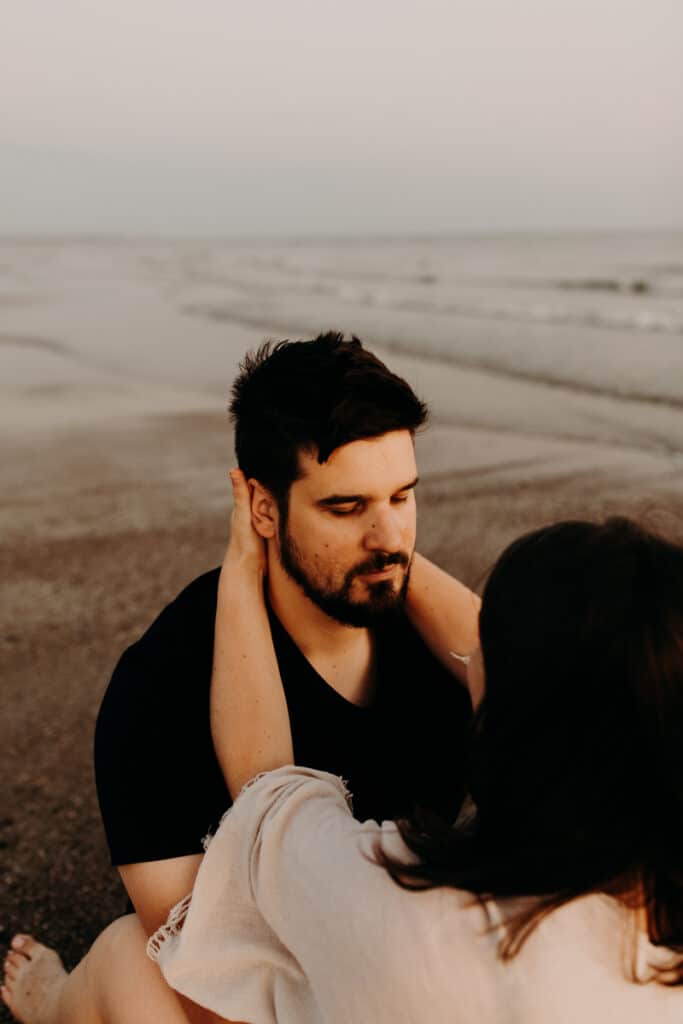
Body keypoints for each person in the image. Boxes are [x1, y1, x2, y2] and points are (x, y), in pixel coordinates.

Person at [1, 333, 479, 1024]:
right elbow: (207, 970)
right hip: (248, 978)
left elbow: (542, 688)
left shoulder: (442, 646)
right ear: (261, 507)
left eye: (402, 497)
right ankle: (59, 1001)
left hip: (396, 958)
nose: (388, 539)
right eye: (345, 508)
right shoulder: (162, 687)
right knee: (134, 964)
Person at [144, 480, 682, 1022]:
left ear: (513, 711)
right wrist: (387, 541)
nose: (471, 658)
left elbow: (269, 797)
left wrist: (242, 566)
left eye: (485, 652)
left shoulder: (416, 912)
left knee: (126, 961)